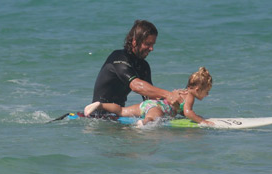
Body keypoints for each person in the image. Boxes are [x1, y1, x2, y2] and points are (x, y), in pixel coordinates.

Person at [88, 20, 184, 116]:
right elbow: (135, 85)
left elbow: (150, 98)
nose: (151, 48)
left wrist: (176, 103)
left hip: (119, 116)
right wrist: (168, 94)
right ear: (134, 42)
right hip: (98, 116)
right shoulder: (118, 57)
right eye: (147, 44)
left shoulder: (144, 66)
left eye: (153, 44)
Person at [85, 67, 214, 127]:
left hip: (148, 104)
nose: (207, 95)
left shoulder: (182, 92)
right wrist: (202, 121)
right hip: (157, 107)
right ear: (197, 89)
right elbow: (188, 112)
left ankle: (100, 104)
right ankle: (144, 123)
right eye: (206, 91)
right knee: (153, 117)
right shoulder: (190, 96)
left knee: (121, 110)